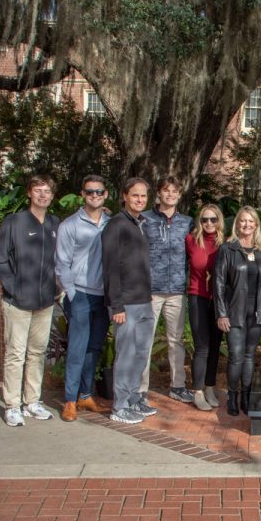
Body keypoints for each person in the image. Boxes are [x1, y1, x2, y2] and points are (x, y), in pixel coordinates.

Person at [0, 175, 60, 427]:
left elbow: (59, 261)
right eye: (38, 190)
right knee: (15, 354)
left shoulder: (54, 223)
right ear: (29, 193)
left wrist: (58, 287)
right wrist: (14, 287)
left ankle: (32, 402)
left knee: (37, 353)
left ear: (52, 195)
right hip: (17, 301)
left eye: (47, 191)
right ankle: (13, 405)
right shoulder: (15, 222)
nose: (43, 195)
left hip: (45, 301)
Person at [54, 174, 113, 421]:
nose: (95, 196)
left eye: (99, 192)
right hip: (80, 294)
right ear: (83, 194)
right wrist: (72, 292)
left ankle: (85, 394)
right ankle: (69, 400)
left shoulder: (111, 224)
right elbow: (61, 264)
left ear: (106, 195)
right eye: (90, 192)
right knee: (77, 348)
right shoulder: (70, 225)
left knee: (93, 348)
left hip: (103, 297)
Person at [102, 178, 158, 424]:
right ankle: (120, 406)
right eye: (135, 195)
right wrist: (117, 305)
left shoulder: (140, 224)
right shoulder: (116, 225)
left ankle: (134, 397)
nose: (140, 200)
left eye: (144, 196)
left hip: (144, 300)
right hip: (126, 303)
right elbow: (110, 267)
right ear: (124, 196)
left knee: (141, 353)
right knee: (126, 354)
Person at [213, 207, 261, 416]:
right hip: (234, 311)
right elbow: (218, 284)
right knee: (235, 356)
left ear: (256, 225)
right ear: (237, 224)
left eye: (251, 221)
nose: (247, 225)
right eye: (243, 221)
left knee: (250, 355)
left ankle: (246, 396)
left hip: (258, 311)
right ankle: (232, 396)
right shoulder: (228, 249)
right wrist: (221, 314)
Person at [140, 177, 196, 406]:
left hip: (176, 291)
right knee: (145, 340)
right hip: (151, 289)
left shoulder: (187, 222)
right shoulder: (145, 219)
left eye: (175, 191)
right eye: (166, 190)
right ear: (159, 194)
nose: (170, 194)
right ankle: (141, 389)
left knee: (176, 340)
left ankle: (178, 386)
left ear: (179, 195)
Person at [186, 204, 225, 410]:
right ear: (199, 222)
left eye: (213, 219)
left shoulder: (226, 244)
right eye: (204, 219)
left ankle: (210, 386)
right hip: (197, 296)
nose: (209, 223)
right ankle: (198, 391)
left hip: (218, 301)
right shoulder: (191, 241)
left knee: (215, 347)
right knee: (202, 346)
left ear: (219, 221)